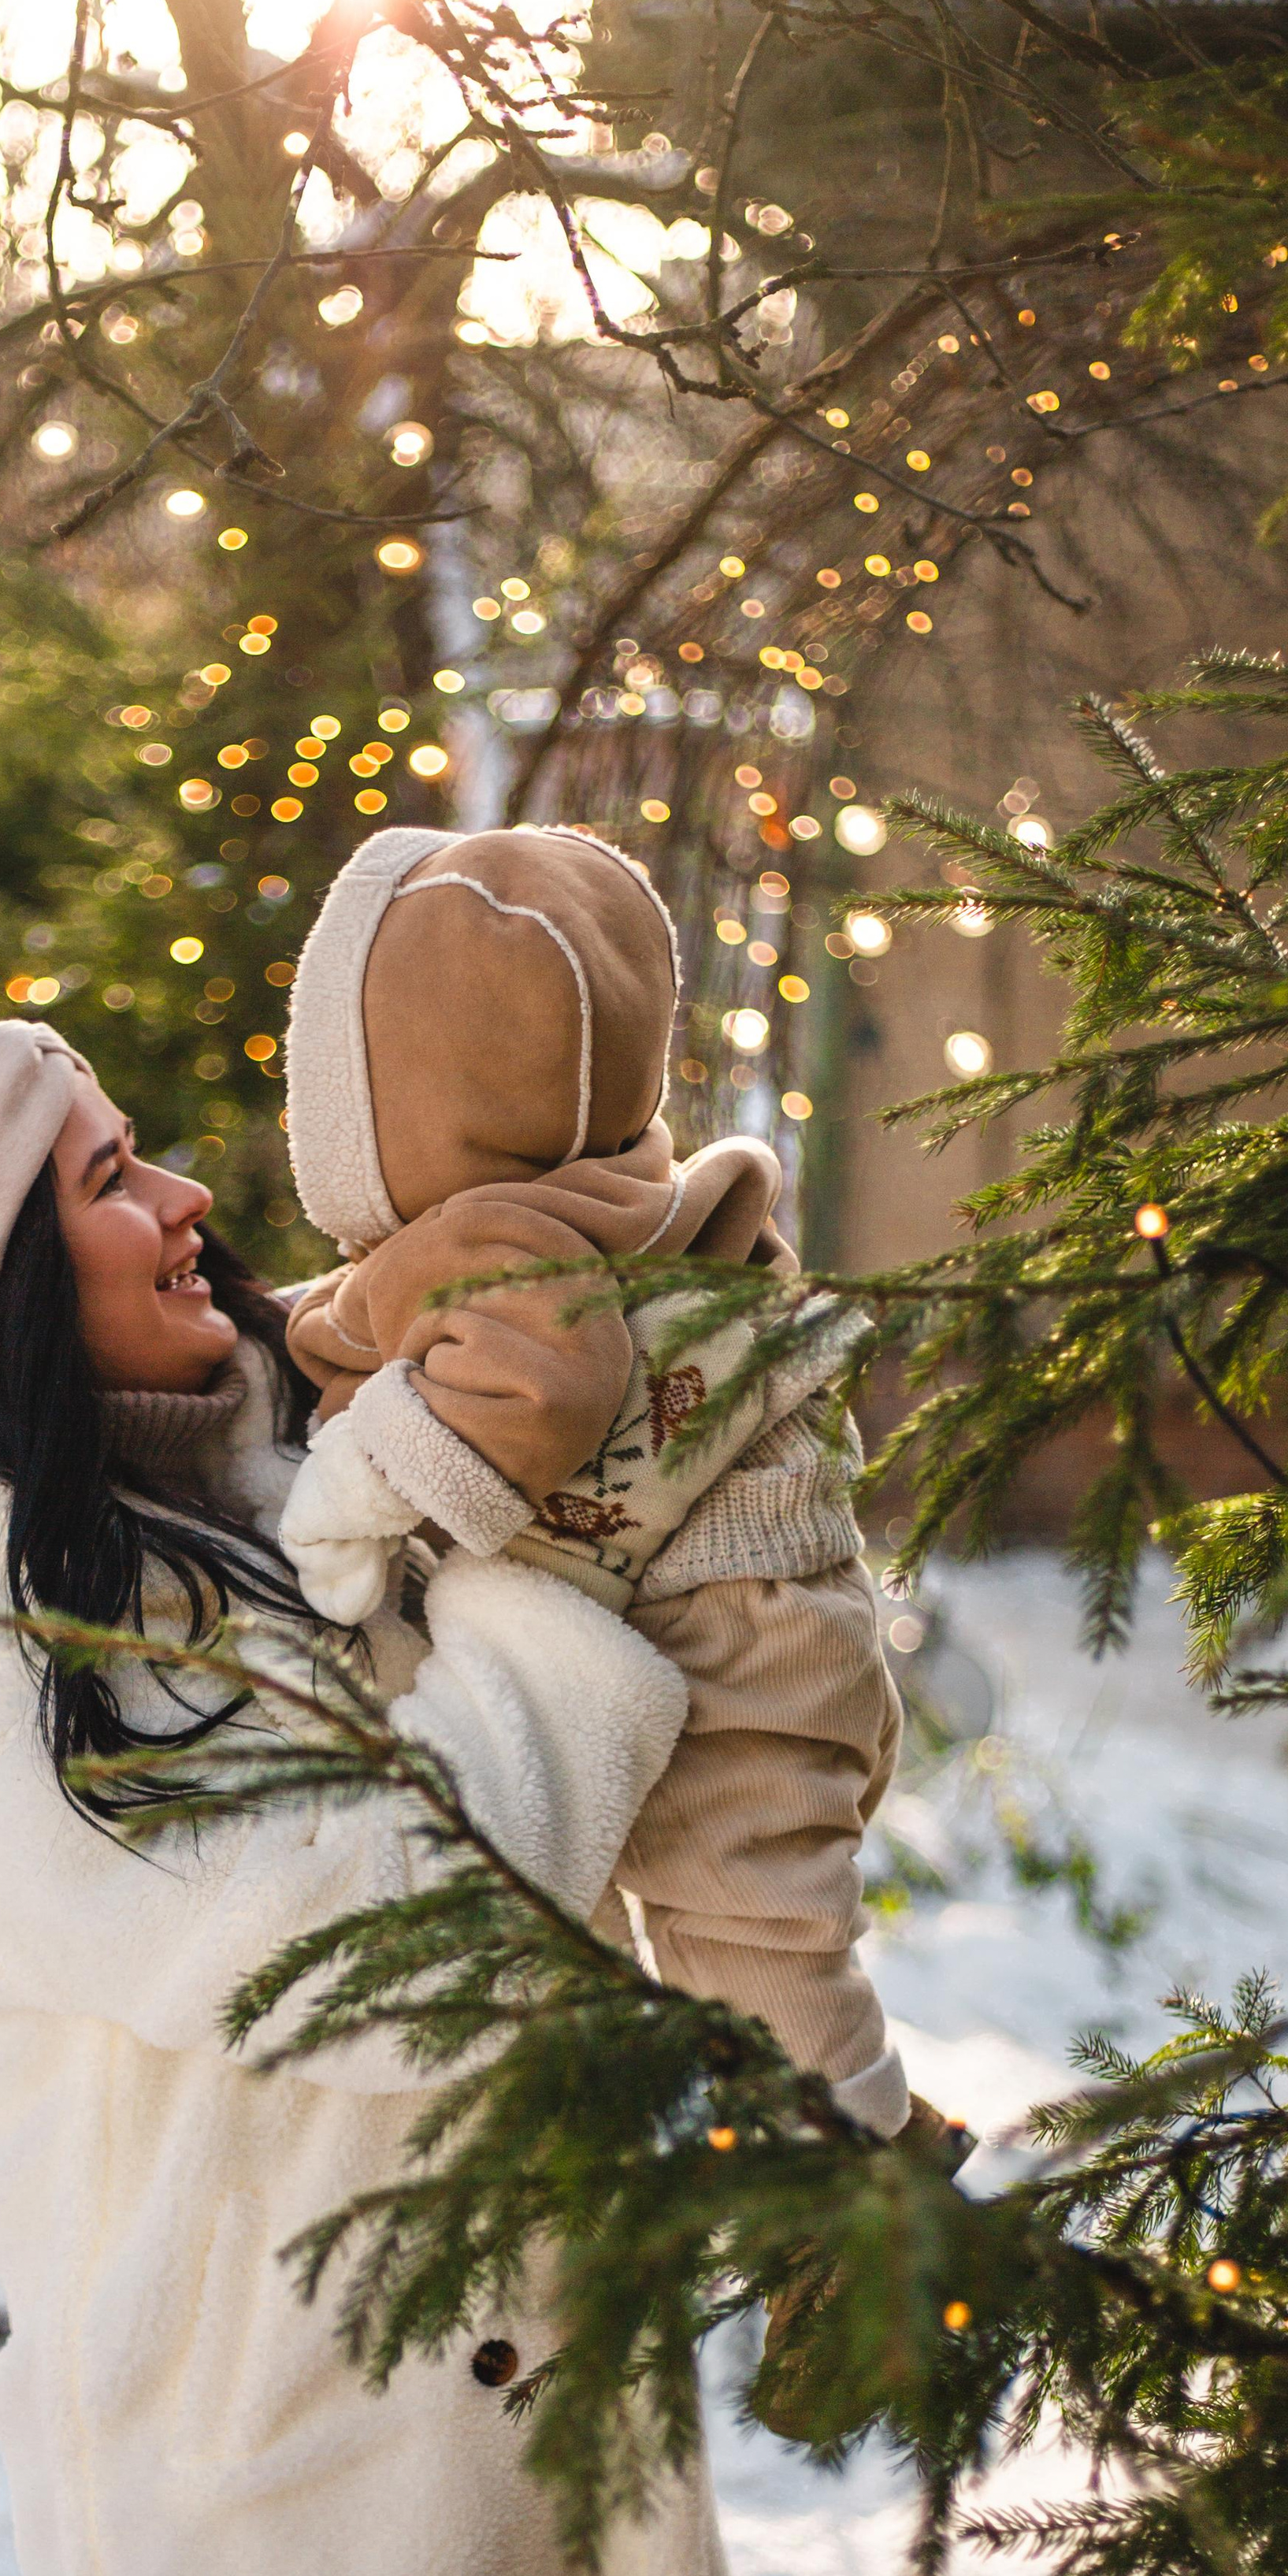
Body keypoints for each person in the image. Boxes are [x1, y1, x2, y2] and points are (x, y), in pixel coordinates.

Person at [0, 1016, 790, 2576]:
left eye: (137, 1151)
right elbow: (414, 1936)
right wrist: (532, 1568)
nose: (181, 1205)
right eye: (106, 1185)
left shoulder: (274, 1463)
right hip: (289, 2483)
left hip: (479, 2410)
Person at [273, 823, 913, 2143]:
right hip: (775, 1609)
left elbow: (538, 1387)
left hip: (733, 1643)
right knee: (752, 1923)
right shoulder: (602, 1197)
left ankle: (855, 2185)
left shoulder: (506, 1251)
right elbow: (361, 1324)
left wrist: (354, 1496)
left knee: (751, 1935)